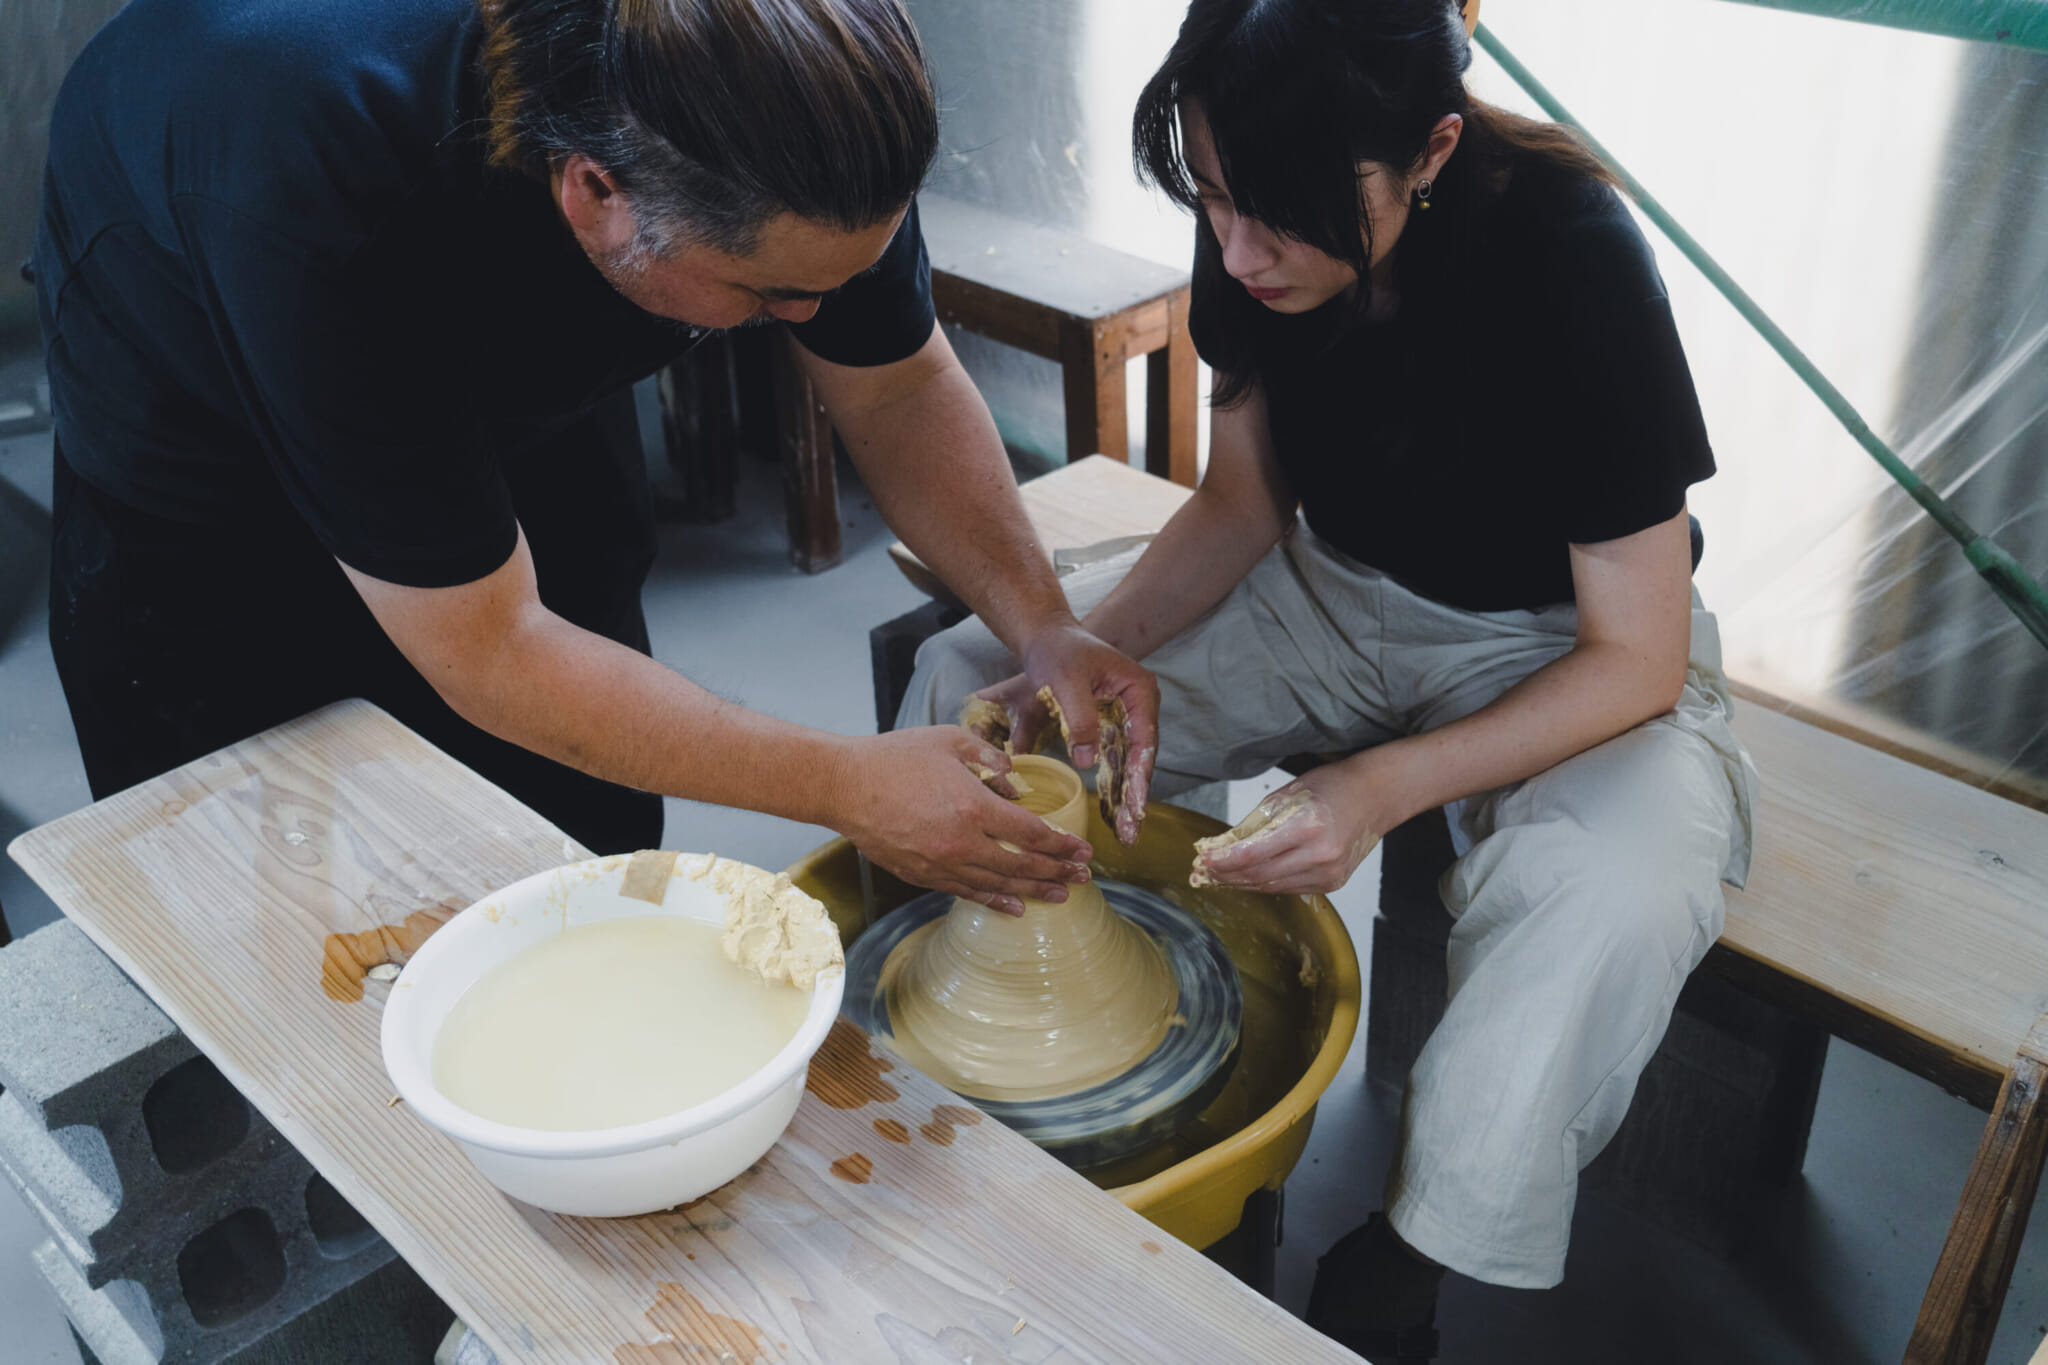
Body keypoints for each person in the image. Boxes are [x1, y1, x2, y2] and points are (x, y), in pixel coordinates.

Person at [899, 0, 1757, 1356]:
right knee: (974, 681)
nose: (1240, 253)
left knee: (1621, 886)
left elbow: (1634, 656)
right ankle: (965, 1062)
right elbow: (1241, 504)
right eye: (1213, 200)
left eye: (1284, 218)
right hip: (1327, 587)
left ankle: (1407, 1259)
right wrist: (1080, 650)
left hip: (1554, 643)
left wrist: (1376, 786)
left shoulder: (1575, 258)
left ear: (1433, 151)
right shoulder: (1255, 183)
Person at [33, 0, 1158, 916]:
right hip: (213, 480)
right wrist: (838, 784)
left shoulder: (792, 104)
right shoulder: (317, 171)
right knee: (292, 917)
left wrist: (1042, 622)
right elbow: (490, 648)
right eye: (773, 294)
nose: (815, 317)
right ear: (594, 195)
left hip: (505, 376)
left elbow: (897, 382)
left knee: (580, 835)